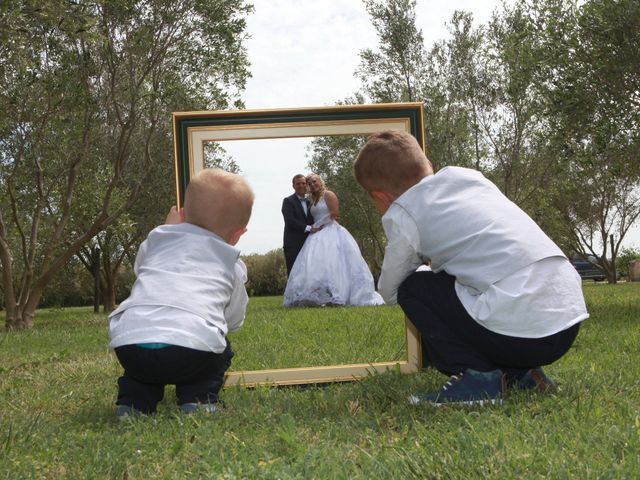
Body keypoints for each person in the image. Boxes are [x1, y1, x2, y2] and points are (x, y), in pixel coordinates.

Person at [353, 130, 588, 406]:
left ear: (381, 198)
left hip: (523, 334)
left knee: (413, 289)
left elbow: (389, 290)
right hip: (567, 318)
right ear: (427, 165)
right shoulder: (469, 178)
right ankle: (522, 374)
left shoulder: (404, 214)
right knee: (485, 276)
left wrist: (428, 264)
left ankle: (479, 380)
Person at [108, 168, 254, 417]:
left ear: (182, 214)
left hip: (129, 343)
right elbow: (234, 316)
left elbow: (141, 268)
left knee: (142, 368)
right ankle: (199, 400)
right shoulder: (230, 261)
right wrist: (224, 327)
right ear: (238, 234)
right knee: (219, 346)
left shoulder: (157, 239)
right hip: (193, 351)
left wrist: (167, 231)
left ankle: (134, 403)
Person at [283, 173, 384, 307]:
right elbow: (295, 220)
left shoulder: (328, 195)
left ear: (320, 181)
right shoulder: (310, 200)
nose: (312, 185)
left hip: (331, 232)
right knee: (317, 266)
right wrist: (313, 227)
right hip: (315, 235)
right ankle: (319, 296)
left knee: (336, 264)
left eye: (314, 181)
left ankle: (341, 294)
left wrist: (319, 224)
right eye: (310, 183)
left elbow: (335, 214)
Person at [281, 174, 318, 276]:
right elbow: (290, 220)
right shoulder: (288, 201)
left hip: (309, 244)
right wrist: (309, 228)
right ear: (293, 186)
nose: (301, 185)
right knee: (294, 274)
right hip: (293, 245)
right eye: (298, 184)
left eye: (303, 183)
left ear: (306, 185)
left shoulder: (310, 202)